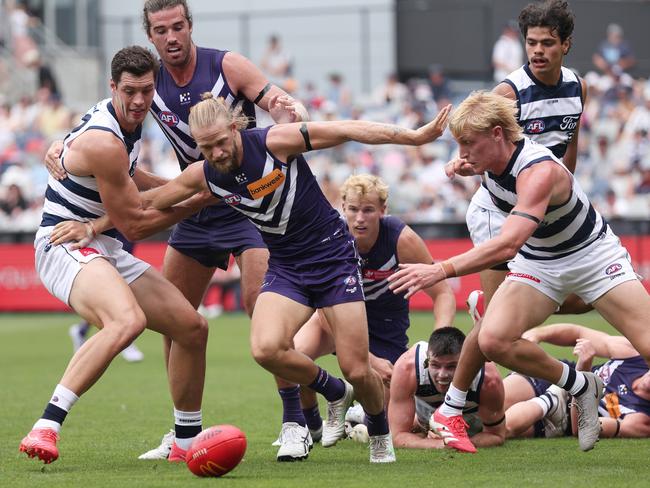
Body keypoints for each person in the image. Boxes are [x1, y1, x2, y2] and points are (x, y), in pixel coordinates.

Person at [42, 0, 308, 460]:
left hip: (245, 202)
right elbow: (97, 131)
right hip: (196, 205)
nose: (171, 37)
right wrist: (59, 144)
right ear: (151, 36)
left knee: (258, 307)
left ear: (190, 26)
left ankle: (294, 423)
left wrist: (287, 107)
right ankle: (182, 433)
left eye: (178, 26)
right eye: (161, 29)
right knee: (177, 322)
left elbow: (277, 101)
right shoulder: (146, 79)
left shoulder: (225, 65)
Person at [141, 92, 452, 462]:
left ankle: (379, 432)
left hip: (332, 257)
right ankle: (334, 390)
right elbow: (148, 202)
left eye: (222, 142)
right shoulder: (204, 174)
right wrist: (91, 220)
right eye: (207, 147)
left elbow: (347, 128)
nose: (218, 153)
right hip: (287, 266)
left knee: (357, 367)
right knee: (265, 349)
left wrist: (413, 137)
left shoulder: (275, 142)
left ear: (236, 128)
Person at [388, 90, 650, 454]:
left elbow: (508, 245)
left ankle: (452, 407)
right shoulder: (487, 161)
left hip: (592, 257)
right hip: (541, 261)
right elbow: (480, 170)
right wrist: (464, 163)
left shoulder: (538, 171)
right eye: (458, 144)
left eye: (468, 143)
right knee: (493, 338)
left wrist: (440, 270)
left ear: (498, 134)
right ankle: (580, 385)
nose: (461, 153)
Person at [19, 46, 210, 465]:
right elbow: (137, 224)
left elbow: (131, 179)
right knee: (128, 321)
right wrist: (201, 196)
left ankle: (184, 443)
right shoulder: (106, 140)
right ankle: (46, 426)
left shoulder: (126, 124)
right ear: (113, 87)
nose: (139, 100)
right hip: (64, 243)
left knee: (193, 328)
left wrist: (190, 189)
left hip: (98, 243)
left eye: (146, 90)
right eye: (130, 91)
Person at [434, 0, 589, 451]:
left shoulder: (578, 86)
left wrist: (570, 192)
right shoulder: (509, 93)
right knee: (498, 322)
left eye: (547, 43)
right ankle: (454, 410)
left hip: (547, 213)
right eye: (531, 43)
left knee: (578, 300)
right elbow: (473, 140)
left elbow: (569, 146)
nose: (537, 51)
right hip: (500, 213)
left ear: (565, 45)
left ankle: (497, 306)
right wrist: (458, 162)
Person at [274, 174, 456, 443]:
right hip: (332, 320)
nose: (360, 218)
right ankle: (310, 427)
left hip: (385, 331)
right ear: (342, 207)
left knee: (386, 408)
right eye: (353, 209)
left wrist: (439, 343)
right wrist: (369, 360)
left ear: (383, 210)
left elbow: (442, 293)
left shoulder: (400, 239)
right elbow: (324, 309)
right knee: (288, 356)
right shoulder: (329, 237)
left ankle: (357, 415)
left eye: (368, 210)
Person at [524, 323, 650, 438]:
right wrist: (537, 334)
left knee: (512, 426)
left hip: (569, 417)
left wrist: (583, 375)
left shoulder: (639, 418)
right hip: (565, 375)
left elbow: (584, 428)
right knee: (511, 395)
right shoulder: (634, 355)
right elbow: (578, 333)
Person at [387, 327, 505, 449]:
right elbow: (398, 436)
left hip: (472, 426)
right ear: (427, 358)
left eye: (451, 366)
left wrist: (460, 441)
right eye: (435, 365)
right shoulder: (407, 369)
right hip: (425, 419)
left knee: (514, 427)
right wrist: (442, 444)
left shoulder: (488, 379)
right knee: (397, 425)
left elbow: (496, 435)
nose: (442, 375)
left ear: (465, 361)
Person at [68, 234, 145, 363]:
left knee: (122, 282)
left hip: (125, 232)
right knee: (115, 286)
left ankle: (81, 331)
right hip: (107, 234)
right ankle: (126, 337)